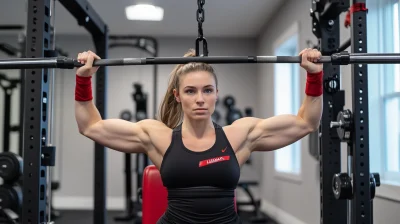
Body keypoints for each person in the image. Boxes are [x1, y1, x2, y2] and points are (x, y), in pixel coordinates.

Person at [74, 48, 323, 224]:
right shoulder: (157, 137)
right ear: (178, 96)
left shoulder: (239, 135)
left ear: (217, 93)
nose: (200, 99)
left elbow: (305, 123)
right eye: (191, 91)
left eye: (207, 90)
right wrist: (83, 79)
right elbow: (91, 126)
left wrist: (314, 75)